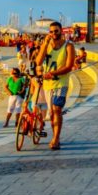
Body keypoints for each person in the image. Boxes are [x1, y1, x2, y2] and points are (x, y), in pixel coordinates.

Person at [36, 21, 76, 150]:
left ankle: (56, 139)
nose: (54, 34)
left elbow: (69, 66)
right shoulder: (46, 45)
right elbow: (38, 61)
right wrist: (45, 44)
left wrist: (52, 73)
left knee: (57, 109)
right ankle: (55, 136)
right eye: (51, 31)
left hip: (61, 83)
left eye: (56, 31)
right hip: (48, 85)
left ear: (61, 31)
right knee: (52, 113)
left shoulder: (68, 46)